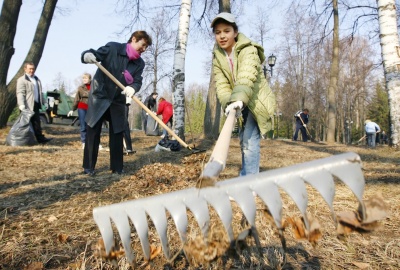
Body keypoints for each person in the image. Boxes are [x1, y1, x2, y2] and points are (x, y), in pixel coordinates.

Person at [211, 12, 276, 176]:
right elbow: (222, 84)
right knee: (243, 140)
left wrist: (238, 99)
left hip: (256, 101)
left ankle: (249, 182)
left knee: (249, 139)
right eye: (218, 33)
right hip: (240, 101)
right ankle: (248, 174)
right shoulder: (218, 56)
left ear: (235, 32)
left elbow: (246, 76)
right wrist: (228, 103)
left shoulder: (248, 49)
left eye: (226, 31)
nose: (222, 36)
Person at [81, 30, 152, 175]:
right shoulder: (113, 48)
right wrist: (87, 55)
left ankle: (117, 167)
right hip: (100, 96)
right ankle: (89, 167)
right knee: (93, 131)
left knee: (118, 132)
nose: (143, 50)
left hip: (118, 100)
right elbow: (95, 54)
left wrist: (133, 88)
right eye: (142, 45)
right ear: (133, 39)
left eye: (146, 48)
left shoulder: (139, 63)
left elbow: (137, 80)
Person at [16, 62, 52, 144]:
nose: (32, 70)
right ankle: (24, 140)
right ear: (25, 69)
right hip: (26, 105)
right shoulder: (22, 80)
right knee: (25, 124)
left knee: (36, 123)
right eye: (30, 69)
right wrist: (21, 104)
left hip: (35, 104)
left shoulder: (37, 79)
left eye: (33, 69)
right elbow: (20, 93)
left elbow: (40, 93)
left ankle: (40, 139)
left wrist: (45, 102)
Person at [67, 73, 92, 149]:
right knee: (83, 125)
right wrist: (72, 109)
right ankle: (84, 142)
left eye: (86, 78)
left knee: (90, 125)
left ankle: (91, 141)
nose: (84, 80)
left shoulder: (94, 87)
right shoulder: (80, 88)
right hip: (82, 107)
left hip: (91, 108)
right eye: (83, 78)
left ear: (89, 79)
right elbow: (76, 99)